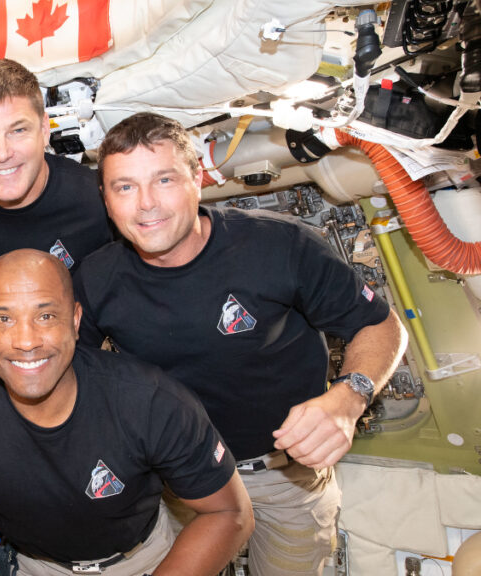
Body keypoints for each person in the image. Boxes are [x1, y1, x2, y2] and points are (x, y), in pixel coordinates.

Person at [74, 112, 409, 576]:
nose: (146, 204)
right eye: (124, 187)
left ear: (197, 179)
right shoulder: (95, 279)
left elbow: (381, 325)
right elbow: (75, 378)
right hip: (178, 481)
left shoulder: (280, 246)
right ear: (106, 199)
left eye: (164, 179)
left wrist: (349, 397)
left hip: (285, 477)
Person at [0, 249, 253, 576]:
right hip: (29, 565)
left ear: (76, 320)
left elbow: (229, 512)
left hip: (145, 560)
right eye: (4, 319)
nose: (26, 341)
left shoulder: (149, 400)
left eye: (46, 316)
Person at [0, 59, 112, 366]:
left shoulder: (94, 198)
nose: (2, 153)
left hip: (76, 353)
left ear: (44, 130)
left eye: (17, 130)